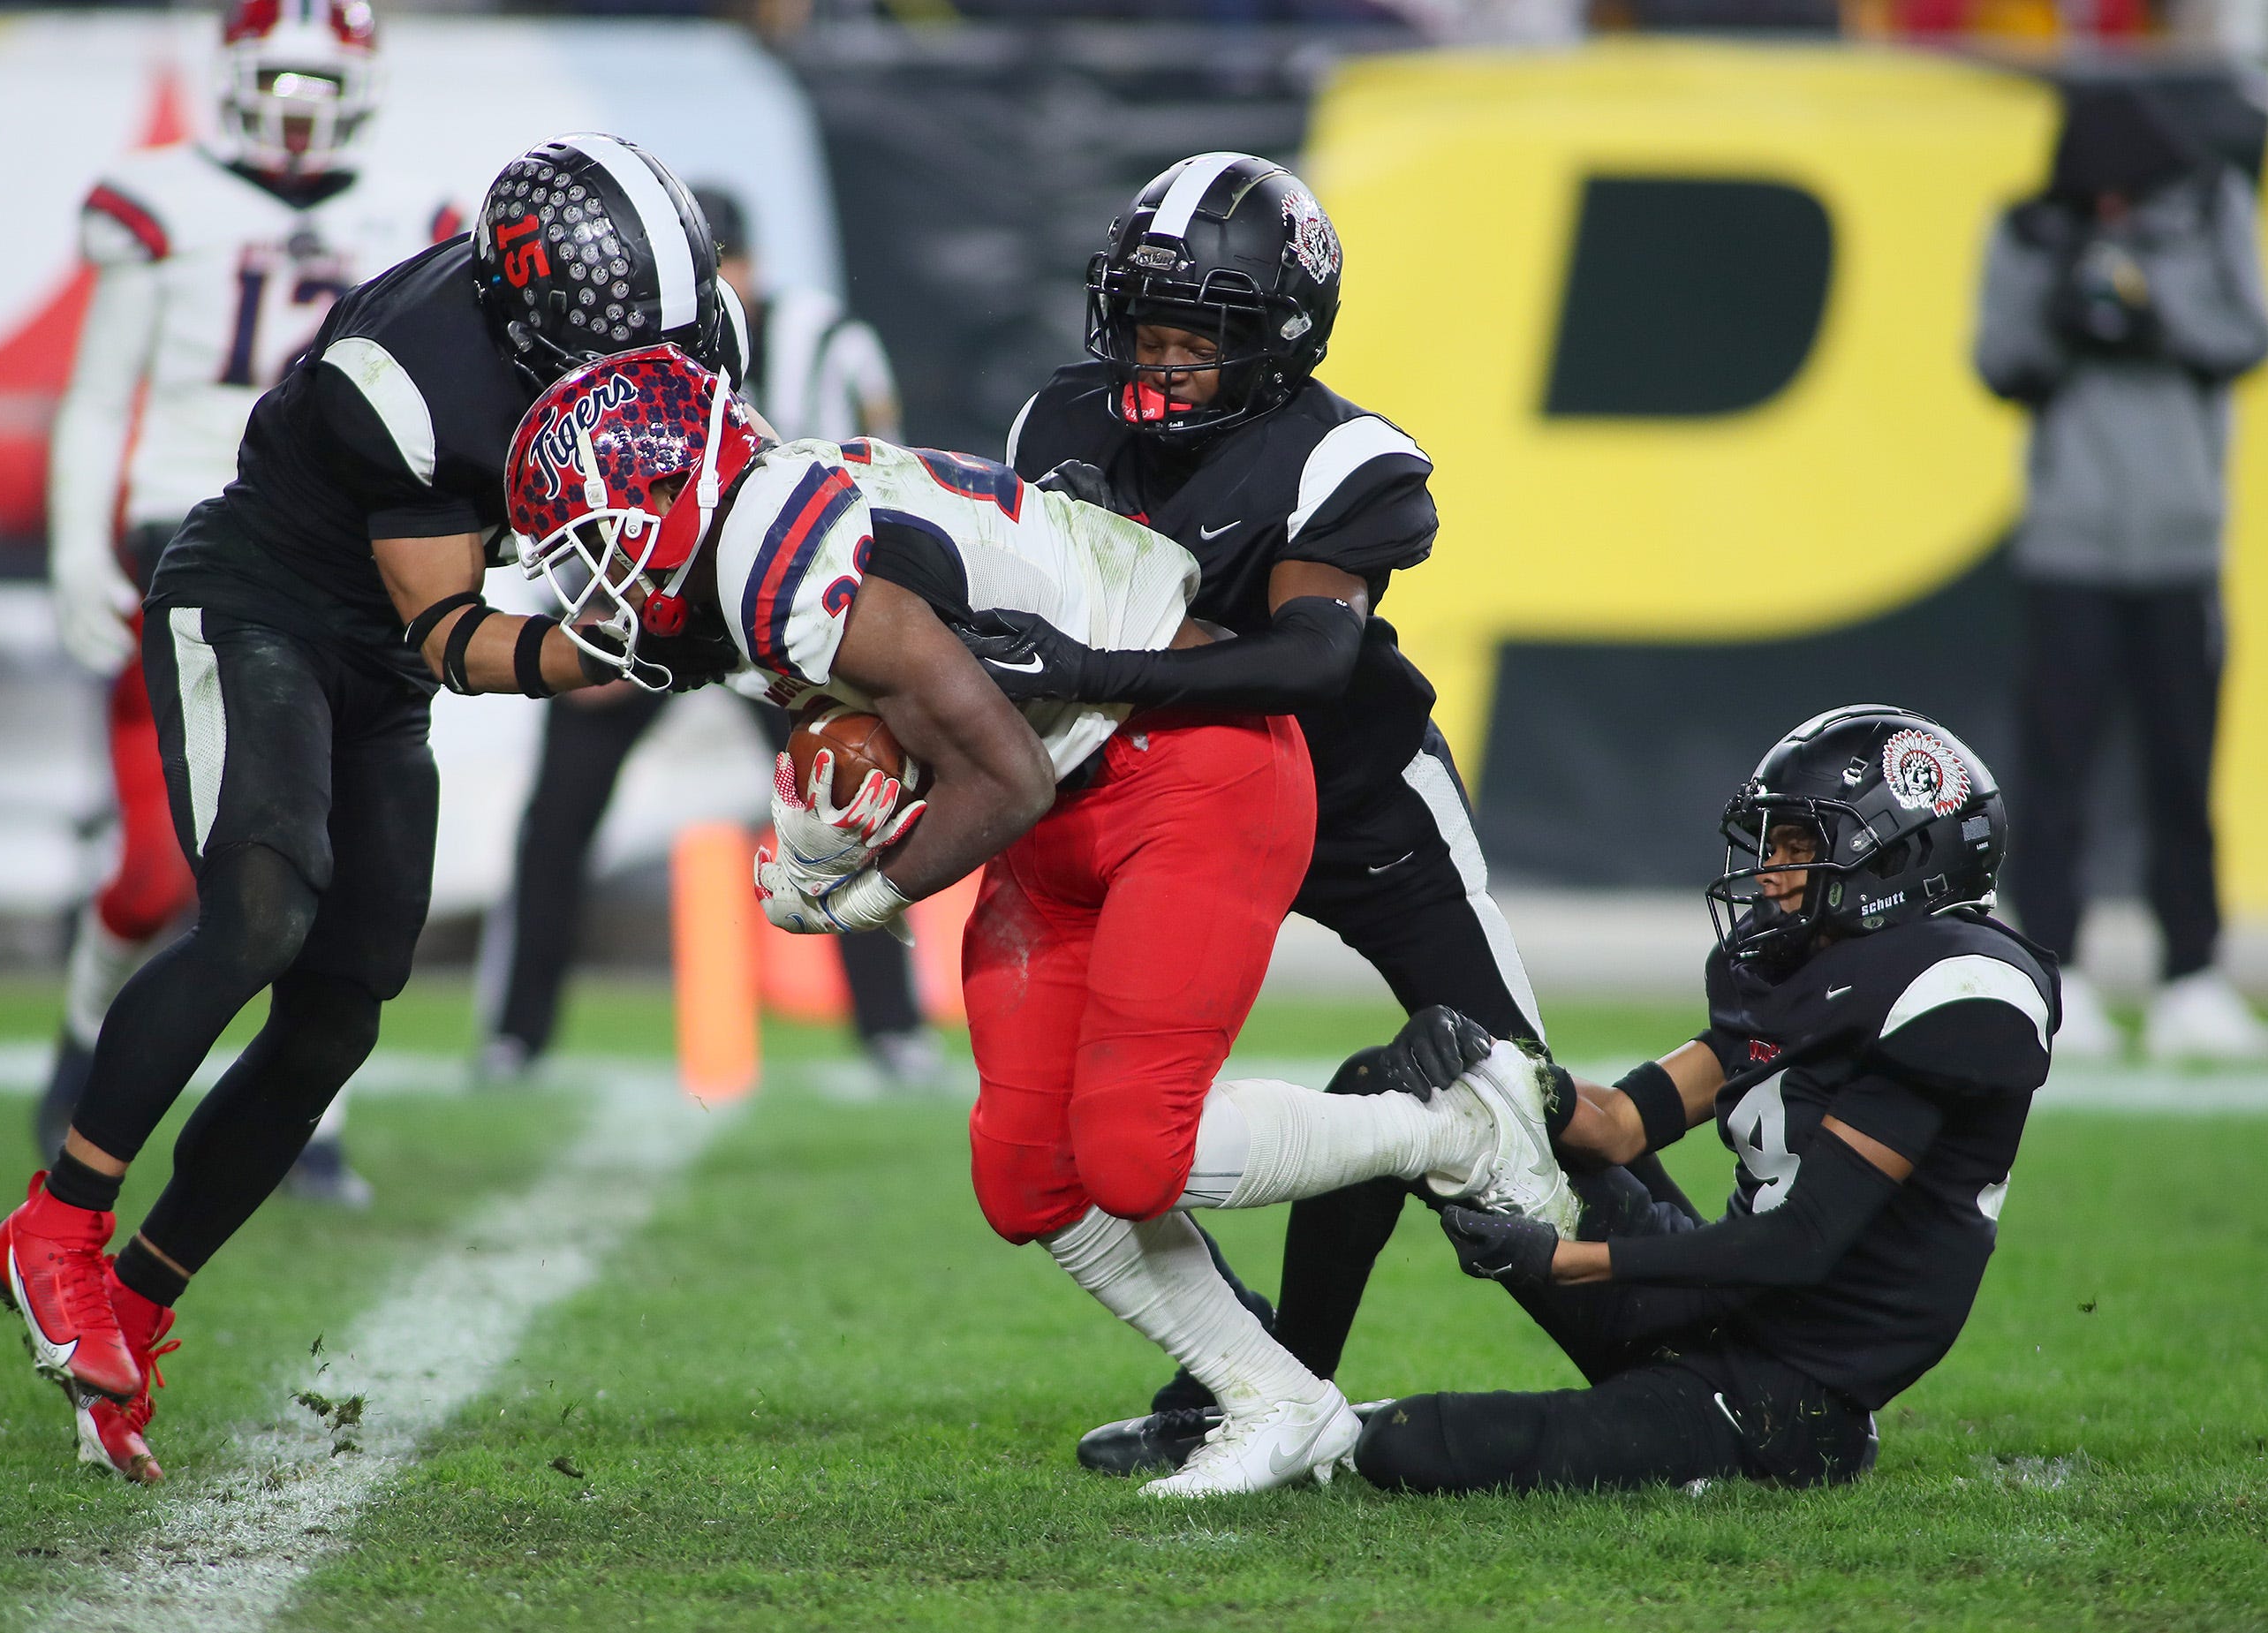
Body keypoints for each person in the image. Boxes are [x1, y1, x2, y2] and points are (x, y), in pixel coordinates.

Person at [502, 343, 1579, 1495]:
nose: (590, 582)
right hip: (1074, 785)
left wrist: (869, 891)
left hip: (1186, 772)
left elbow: (1001, 773)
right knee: (1028, 1174)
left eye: (595, 542)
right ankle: (1278, 1397)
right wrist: (847, 797)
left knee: (1133, 1149)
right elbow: (955, 723)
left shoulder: (781, 563)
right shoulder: (747, 542)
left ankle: (1451, 1132)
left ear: (673, 495)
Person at [0, 132, 744, 1485]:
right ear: (520, 312)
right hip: (262, 605)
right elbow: (451, 632)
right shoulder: (411, 374)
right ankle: (57, 1224)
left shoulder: (687, 328)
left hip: (374, 663)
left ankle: (143, 1307)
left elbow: (721, 490)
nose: (636, 390)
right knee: (264, 901)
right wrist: (618, 653)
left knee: (343, 1007)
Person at [968, 150, 1685, 1470]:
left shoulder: (1341, 458)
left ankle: (1703, 1361)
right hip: (1149, 820)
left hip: (1360, 810)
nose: (1162, 359)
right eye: (1146, 323)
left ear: (1282, 341)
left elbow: (1309, 662)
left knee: (1516, 1085)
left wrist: (1087, 672)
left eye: (1203, 336)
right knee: (1099, 1123)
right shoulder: (1058, 428)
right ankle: (1246, 1379)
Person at [1350, 706, 2056, 1495]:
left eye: (1801, 847)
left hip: (1787, 1390)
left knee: (1406, 1446)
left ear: (1902, 858)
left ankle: (1342, 1434)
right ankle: (1284, 1396)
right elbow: (1615, 1126)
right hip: (1713, 1303)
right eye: (1771, 844)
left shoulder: (1953, 998)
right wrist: (1489, 1062)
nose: (1770, 873)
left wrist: (1568, 1261)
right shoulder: (1811, 973)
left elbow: (1804, 1240)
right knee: (1389, 1083)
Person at [39, 0, 463, 1203]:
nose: (293, 104)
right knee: (165, 878)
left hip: (339, 551)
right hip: (197, 541)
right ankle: (86, 1039)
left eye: (315, 79)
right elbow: (94, 395)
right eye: (273, 77)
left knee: (340, 869)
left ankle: (310, 1119)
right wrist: (79, 548)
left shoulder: (411, 217)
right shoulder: (164, 198)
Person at [472, 185, 936, 1088]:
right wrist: (589, 613)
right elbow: (576, 498)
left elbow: (878, 484)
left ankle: (891, 1027)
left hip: (782, 617)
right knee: (557, 818)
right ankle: (515, 1033)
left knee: (849, 793)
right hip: (644, 605)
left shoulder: (823, 344)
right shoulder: (616, 347)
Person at [1974, 82, 2268, 1062]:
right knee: (2054, 771)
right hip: (2069, 543)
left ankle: (2192, 971)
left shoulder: (2209, 207)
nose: (2107, 210)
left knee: (2180, 766)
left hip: (2179, 543)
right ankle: (2051, 970)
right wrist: (2064, 314)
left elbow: (2243, 335)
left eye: (2120, 194)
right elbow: (1996, 359)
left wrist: (2151, 309)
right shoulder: (2026, 228)